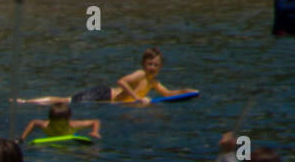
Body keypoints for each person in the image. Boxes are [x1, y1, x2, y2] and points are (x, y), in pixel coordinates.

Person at [18, 48, 195, 105]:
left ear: (160, 67)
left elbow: (168, 94)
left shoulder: (153, 82)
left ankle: (27, 102)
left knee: (66, 101)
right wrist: (135, 99)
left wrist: (187, 91)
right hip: (103, 94)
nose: (152, 68)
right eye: (149, 64)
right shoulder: (140, 74)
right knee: (68, 101)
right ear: (143, 64)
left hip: (105, 100)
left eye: (156, 65)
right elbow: (121, 82)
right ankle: (27, 102)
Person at [20, 100, 101, 141]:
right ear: (50, 120)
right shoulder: (46, 125)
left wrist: (95, 132)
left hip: (70, 138)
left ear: (68, 120)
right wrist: (22, 138)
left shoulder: (72, 125)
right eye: (54, 125)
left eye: (61, 125)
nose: (58, 128)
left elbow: (95, 121)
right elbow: (33, 123)